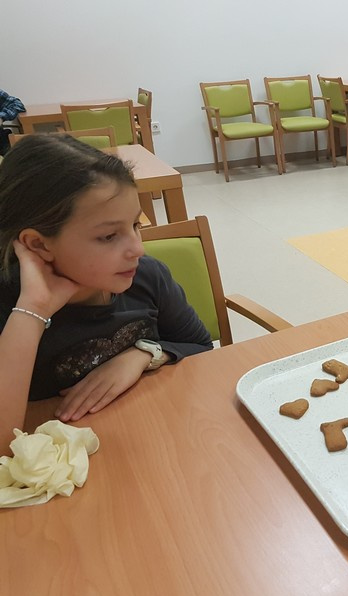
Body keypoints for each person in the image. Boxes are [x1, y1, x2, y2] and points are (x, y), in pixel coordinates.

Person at [0, 135, 213, 450]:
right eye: (109, 236)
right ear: (39, 244)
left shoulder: (147, 276)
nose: (138, 249)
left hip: (150, 442)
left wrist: (143, 355)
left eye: (136, 225)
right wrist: (33, 310)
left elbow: (200, 346)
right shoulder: (11, 307)